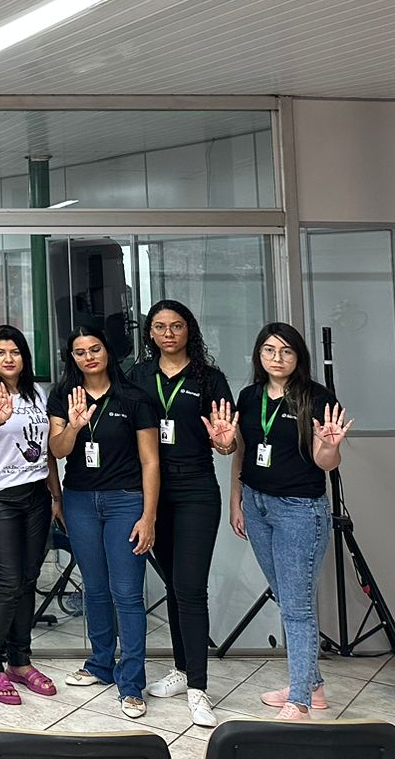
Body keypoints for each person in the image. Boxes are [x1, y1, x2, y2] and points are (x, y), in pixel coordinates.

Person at [219, 323, 351, 720]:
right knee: (287, 598)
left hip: (299, 510)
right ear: (258, 354)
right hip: (257, 504)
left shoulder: (316, 398)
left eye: (286, 351)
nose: (277, 358)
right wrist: (236, 500)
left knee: (297, 608)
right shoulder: (250, 396)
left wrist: (330, 447)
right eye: (269, 350)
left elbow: (326, 462)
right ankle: (313, 686)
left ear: (299, 357)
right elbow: (241, 452)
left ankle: (300, 700)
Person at [128, 300, 236, 728]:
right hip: (150, 491)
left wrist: (226, 443)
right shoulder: (138, 376)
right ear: (150, 334)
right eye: (160, 327)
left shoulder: (209, 378)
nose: (169, 334)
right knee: (173, 585)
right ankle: (181, 669)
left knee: (190, 588)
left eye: (176, 326)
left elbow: (226, 441)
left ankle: (199, 689)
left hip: (195, 489)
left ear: (189, 329)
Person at [47, 325, 159, 718]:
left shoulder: (134, 397)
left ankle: (132, 683)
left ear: (107, 351)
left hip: (125, 501)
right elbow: (57, 450)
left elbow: (150, 461)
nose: (88, 357)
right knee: (94, 589)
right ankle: (100, 664)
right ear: (72, 358)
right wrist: (74, 425)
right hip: (80, 501)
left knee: (126, 592)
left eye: (95, 349)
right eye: (80, 352)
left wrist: (149, 516)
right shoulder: (64, 395)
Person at [0, 325, 61, 706]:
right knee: (8, 582)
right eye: (0, 352)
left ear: (24, 356)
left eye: (15, 352)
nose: (8, 358)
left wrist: (56, 496)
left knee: (29, 580)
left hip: (36, 496)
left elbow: (47, 451)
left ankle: (20, 660)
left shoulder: (38, 393)